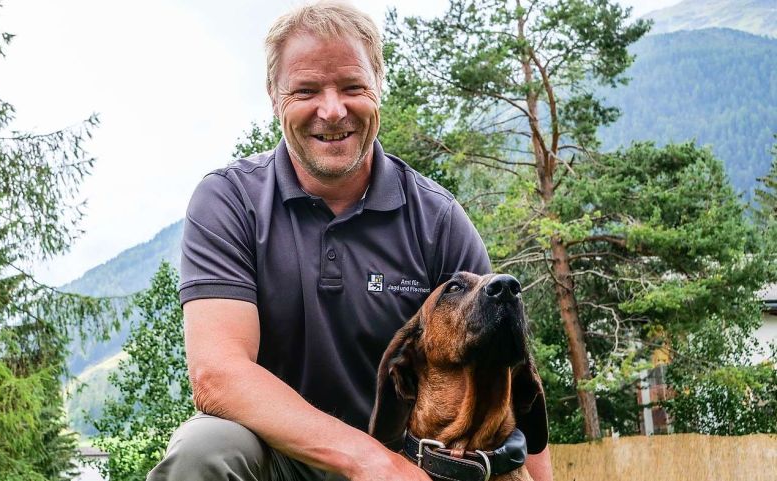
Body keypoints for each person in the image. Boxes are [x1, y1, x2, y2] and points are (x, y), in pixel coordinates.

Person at [147, 2, 552, 480]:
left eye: (353, 86)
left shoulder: (437, 218)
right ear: (274, 96)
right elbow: (218, 376)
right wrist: (368, 462)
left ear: (379, 85)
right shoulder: (230, 201)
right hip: (283, 462)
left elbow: (506, 371)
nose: (333, 109)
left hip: (411, 465)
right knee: (206, 447)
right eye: (307, 90)